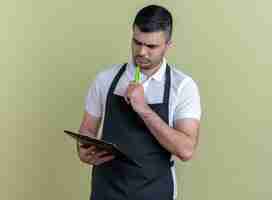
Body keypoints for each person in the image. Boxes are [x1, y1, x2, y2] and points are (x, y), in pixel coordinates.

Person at [77, 4, 201, 200]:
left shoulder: (183, 87)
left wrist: (143, 109)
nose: (141, 52)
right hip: (106, 190)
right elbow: (87, 129)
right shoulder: (105, 79)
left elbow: (186, 150)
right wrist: (83, 151)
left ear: (168, 45)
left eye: (151, 46)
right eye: (137, 42)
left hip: (155, 192)